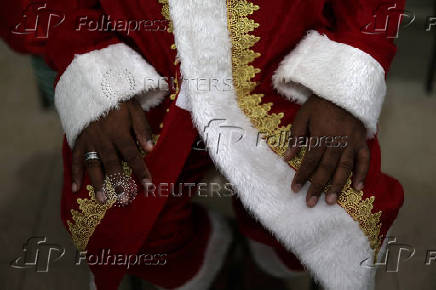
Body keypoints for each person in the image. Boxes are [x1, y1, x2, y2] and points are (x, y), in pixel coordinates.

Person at [2, 0, 406, 289]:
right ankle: (213, 249)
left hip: (288, 69)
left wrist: (342, 87)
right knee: (125, 227)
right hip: (140, 75)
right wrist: (93, 74)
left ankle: (268, 260)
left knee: (330, 212)